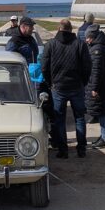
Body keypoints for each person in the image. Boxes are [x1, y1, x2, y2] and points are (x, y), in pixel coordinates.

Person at [39, 19, 92, 158]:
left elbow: (44, 67)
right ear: (71, 29)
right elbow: (87, 66)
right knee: (79, 118)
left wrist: (50, 83)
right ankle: (81, 149)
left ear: (59, 28)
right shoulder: (80, 44)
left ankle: (63, 150)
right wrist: (83, 82)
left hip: (58, 87)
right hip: (75, 86)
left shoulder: (50, 44)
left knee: (60, 119)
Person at [84, 25, 105, 149]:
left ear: (93, 37)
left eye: (88, 38)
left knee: (101, 112)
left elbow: (97, 71)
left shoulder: (97, 50)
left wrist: (94, 88)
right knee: (101, 111)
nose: (86, 40)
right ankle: (104, 136)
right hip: (103, 84)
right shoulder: (99, 46)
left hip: (100, 86)